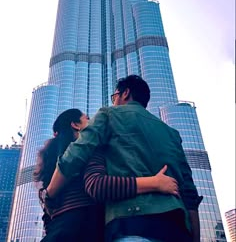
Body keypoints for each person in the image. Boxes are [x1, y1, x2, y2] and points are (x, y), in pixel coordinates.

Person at [46, 75, 202, 242]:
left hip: (133, 224)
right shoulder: (172, 134)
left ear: (125, 93)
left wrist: (49, 195)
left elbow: (74, 157)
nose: (114, 102)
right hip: (178, 229)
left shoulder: (108, 115)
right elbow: (190, 194)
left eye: (115, 97)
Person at [35, 107, 180, 242]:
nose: (93, 122)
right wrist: (155, 183)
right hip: (84, 229)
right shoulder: (88, 150)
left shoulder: (51, 162)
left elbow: (47, 216)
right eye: (87, 118)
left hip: (59, 231)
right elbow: (99, 185)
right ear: (75, 125)